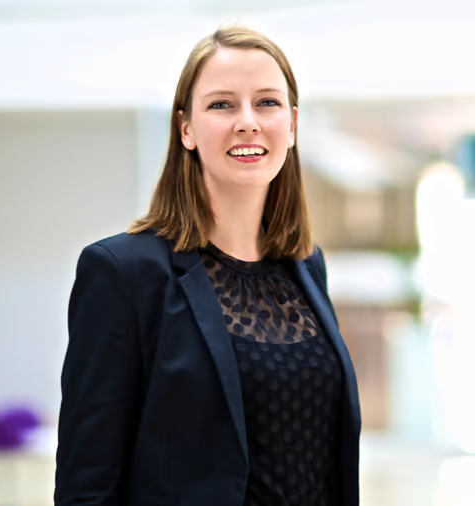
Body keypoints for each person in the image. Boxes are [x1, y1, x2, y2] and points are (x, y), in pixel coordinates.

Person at [54, 26, 361, 506]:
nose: (248, 121)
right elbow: (87, 483)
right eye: (221, 104)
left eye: (267, 102)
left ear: (293, 124)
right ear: (186, 128)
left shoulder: (306, 266)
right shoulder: (122, 273)